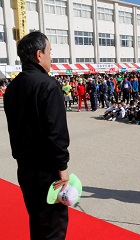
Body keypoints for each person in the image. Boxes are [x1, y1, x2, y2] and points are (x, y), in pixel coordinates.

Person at [4, 31, 70, 239]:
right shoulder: (48, 86)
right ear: (39, 55)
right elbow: (56, 133)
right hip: (47, 171)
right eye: (50, 51)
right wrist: (63, 167)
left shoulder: (12, 88)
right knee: (53, 227)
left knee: (38, 222)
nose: (51, 56)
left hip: (25, 169)